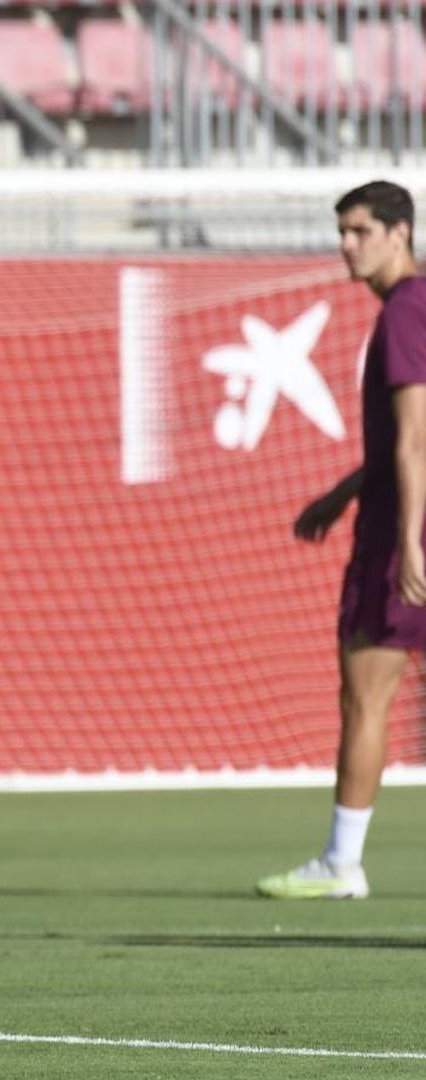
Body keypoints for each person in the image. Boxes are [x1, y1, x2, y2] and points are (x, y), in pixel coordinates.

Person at [258, 181, 424, 901]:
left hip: (400, 538)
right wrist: (342, 492)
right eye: (341, 230)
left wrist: (410, 542)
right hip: (391, 515)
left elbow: (416, 440)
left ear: (399, 232)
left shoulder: (405, 314)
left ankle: (340, 861)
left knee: (365, 696)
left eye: (359, 230)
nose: (345, 245)